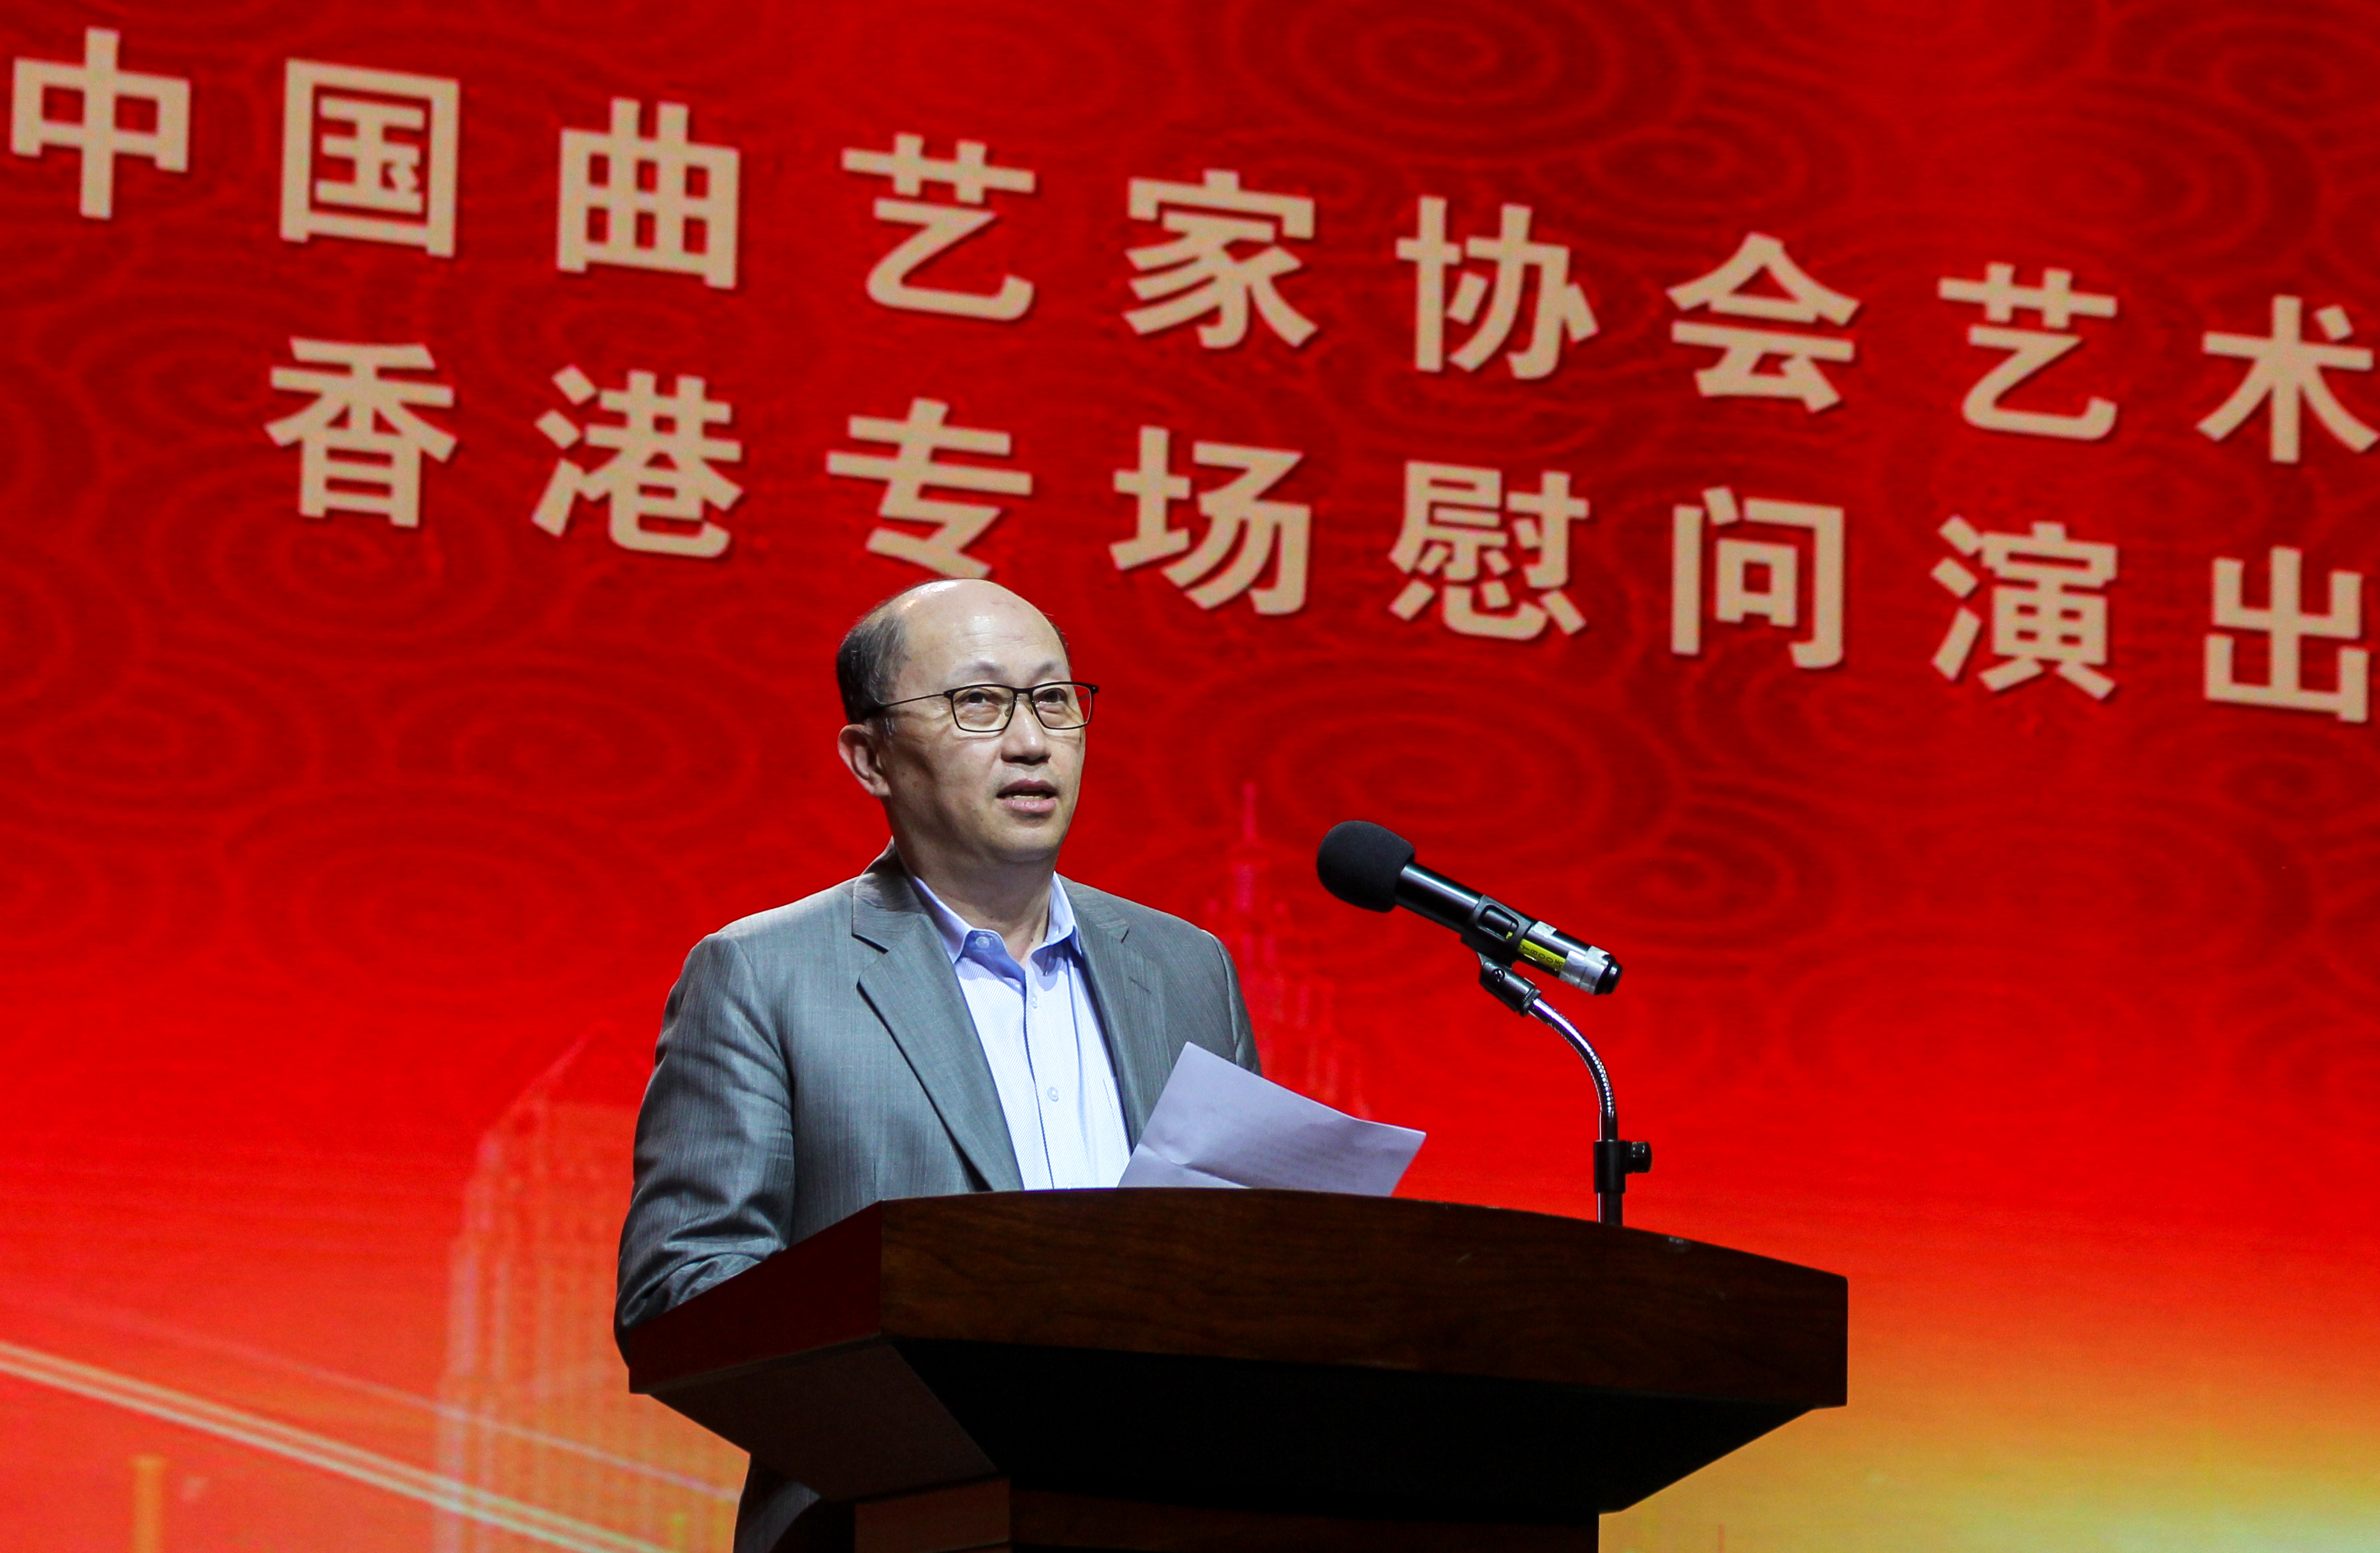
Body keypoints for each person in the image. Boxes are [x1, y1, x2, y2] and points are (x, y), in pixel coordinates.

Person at [616, 578, 1260, 1553]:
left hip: (1165, 1519)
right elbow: (682, 1290)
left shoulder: (1186, 968)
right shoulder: (764, 975)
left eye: (1054, 700)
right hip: (883, 1522)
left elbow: (1252, 1258)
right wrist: (949, 1404)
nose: (1032, 742)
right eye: (978, 702)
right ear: (870, 757)